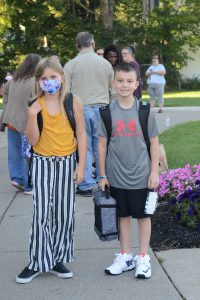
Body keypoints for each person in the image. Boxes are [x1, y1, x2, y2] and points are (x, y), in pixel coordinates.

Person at [16, 57, 87, 284]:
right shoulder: (35, 105)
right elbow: (34, 141)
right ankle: (37, 261)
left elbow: (82, 135)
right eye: (44, 78)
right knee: (42, 214)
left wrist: (82, 165)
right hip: (43, 163)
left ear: (61, 78)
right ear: (38, 81)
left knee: (64, 214)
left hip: (67, 163)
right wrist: (31, 115)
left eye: (53, 77)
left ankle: (56, 258)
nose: (49, 82)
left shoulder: (72, 101)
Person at [98, 62, 160, 279]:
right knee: (122, 217)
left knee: (143, 217)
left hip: (142, 176)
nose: (124, 85)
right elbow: (102, 144)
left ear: (137, 84)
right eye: (120, 81)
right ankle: (125, 256)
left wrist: (154, 172)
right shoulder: (106, 113)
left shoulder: (143, 111)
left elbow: (154, 143)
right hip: (116, 177)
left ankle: (143, 257)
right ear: (114, 83)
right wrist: (102, 174)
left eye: (129, 81)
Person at [64, 31, 114, 197]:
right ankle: (103, 181)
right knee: (101, 146)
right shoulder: (105, 64)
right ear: (93, 44)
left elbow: (66, 93)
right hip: (102, 108)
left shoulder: (71, 65)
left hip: (81, 108)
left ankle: (85, 184)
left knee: (83, 146)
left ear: (77, 46)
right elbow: (112, 90)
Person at [0, 54, 41, 193]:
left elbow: (4, 91)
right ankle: (28, 184)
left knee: (15, 154)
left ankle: (17, 179)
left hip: (11, 121)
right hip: (25, 124)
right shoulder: (34, 82)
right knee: (27, 154)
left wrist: (7, 103)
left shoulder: (15, 80)